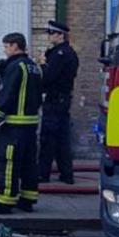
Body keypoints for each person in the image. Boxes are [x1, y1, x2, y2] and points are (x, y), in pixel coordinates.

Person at [0, 32, 44, 214]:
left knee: (8, 162)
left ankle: (5, 201)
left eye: (6, 46)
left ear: (15, 46)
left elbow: (7, 93)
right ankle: (27, 199)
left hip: (15, 124)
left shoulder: (16, 67)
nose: (5, 50)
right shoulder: (34, 67)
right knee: (28, 163)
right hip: (30, 123)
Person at [39, 20, 80, 184]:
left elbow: (48, 77)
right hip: (63, 100)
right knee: (62, 139)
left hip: (55, 100)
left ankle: (43, 173)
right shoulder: (68, 52)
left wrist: (42, 65)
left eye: (51, 33)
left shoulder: (60, 54)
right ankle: (66, 174)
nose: (49, 37)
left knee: (48, 138)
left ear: (60, 35)